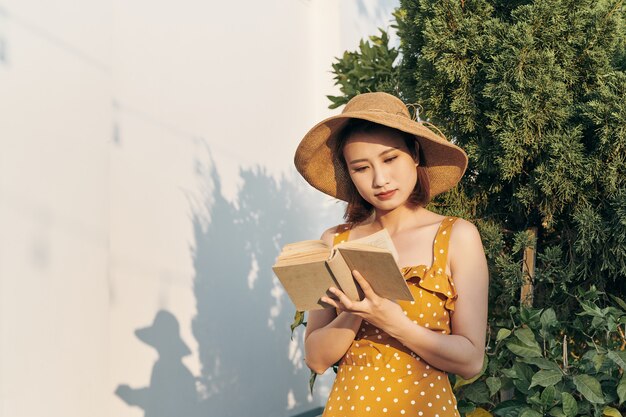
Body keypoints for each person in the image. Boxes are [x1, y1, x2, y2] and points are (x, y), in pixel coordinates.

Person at [293, 92, 489, 417]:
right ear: (349, 174)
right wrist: (357, 308)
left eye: (389, 159)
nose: (380, 180)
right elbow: (316, 358)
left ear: (414, 154)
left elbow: (471, 361)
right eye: (361, 168)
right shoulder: (333, 241)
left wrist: (393, 322)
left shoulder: (457, 236)